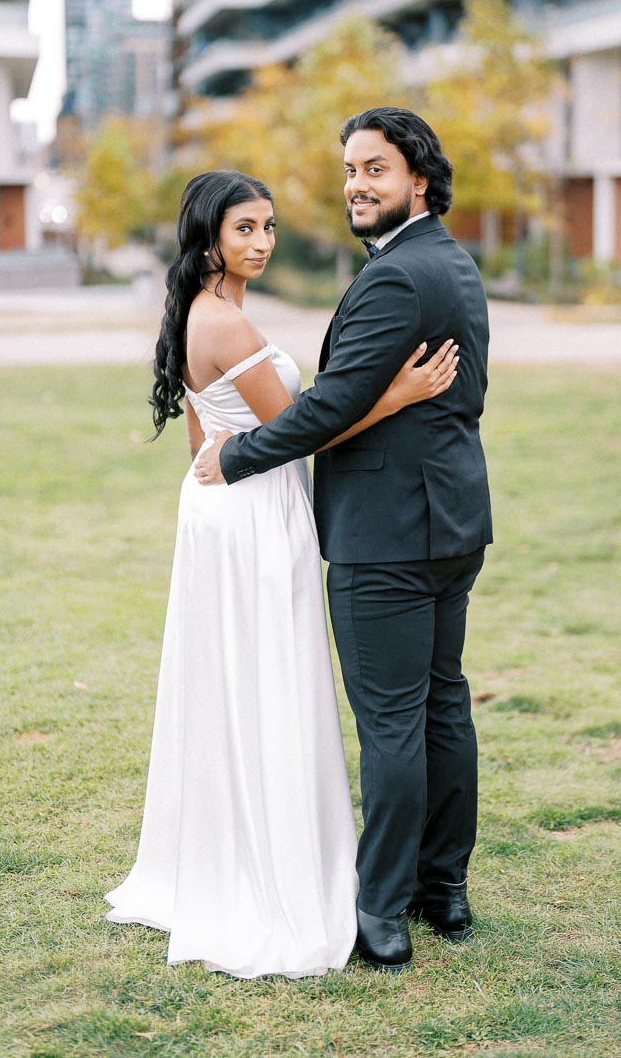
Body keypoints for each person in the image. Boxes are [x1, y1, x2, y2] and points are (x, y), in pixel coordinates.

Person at [105, 168, 459, 980]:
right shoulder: (221, 323)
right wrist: (397, 394)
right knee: (268, 682)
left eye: (268, 227)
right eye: (245, 230)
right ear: (208, 236)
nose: (261, 242)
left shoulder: (209, 312)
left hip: (227, 510)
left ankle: (246, 843)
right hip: (252, 518)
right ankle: (275, 868)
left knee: (243, 683)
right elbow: (307, 429)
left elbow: (209, 437)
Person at [194, 108, 492, 973]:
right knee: (443, 704)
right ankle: (446, 890)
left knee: (395, 723)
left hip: (387, 535)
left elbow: (328, 406)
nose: (358, 184)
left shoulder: (399, 277)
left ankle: (383, 909)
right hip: (449, 524)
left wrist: (238, 454)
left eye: (376, 169)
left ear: (419, 181)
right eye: (351, 170)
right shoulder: (454, 264)